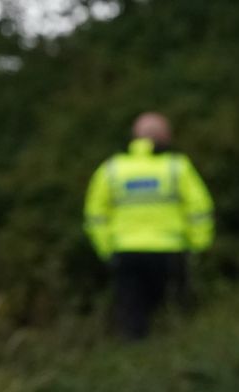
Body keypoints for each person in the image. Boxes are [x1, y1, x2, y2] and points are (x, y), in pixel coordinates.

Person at [84, 112, 214, 339]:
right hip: (171, 252)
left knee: (132, 317)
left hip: (126, 253)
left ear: (135, 137)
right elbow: (200, 210)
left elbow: (94, 215)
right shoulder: (178, 167)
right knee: (175, 316)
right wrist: (198, 245)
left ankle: (133, 364)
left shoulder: (112, 169)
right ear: (165, 136)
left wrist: (106, 249)